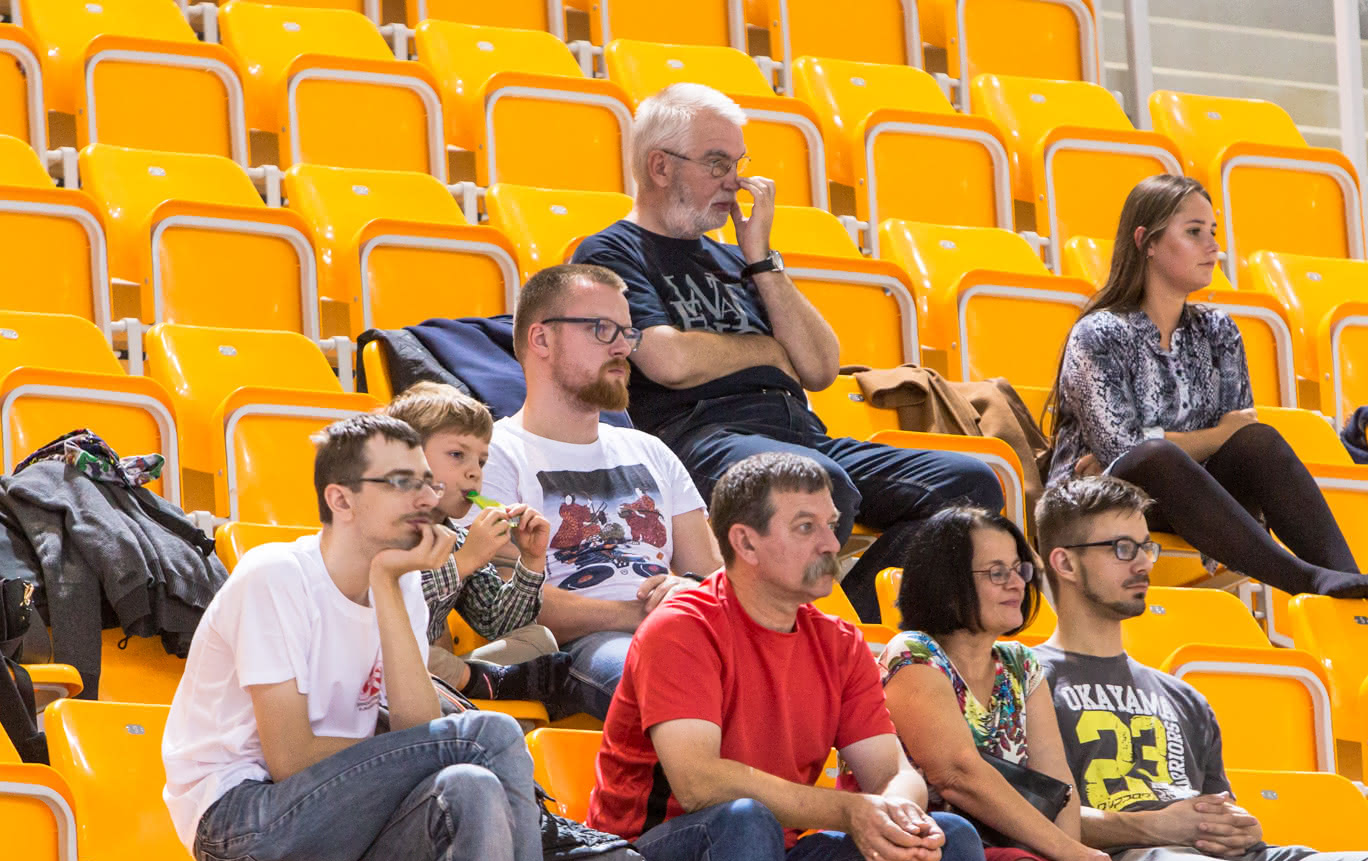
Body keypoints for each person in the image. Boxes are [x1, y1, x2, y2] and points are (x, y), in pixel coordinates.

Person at [571, 82, 1004, 622]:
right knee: (819, 484)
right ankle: (787, 634)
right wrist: (768, 350)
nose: (736, 183)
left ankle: (855, 618)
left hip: (801, 434)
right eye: (716, 163)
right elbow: (669, 361)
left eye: (737, 162)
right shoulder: (610, 251)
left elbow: (820, 366)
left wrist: (761, 260)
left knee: (970, 486)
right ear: (660, 167)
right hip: (701, 438)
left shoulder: (739, 259)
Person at [1031, 474, 1368, 861]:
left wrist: (1236, 826)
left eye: (1147, 547)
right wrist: (1157, 827)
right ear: (1064, 562)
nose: (1144, 562)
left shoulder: (1182, 695)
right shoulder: (1027, 680)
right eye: (1123, 548)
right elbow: (1032, 820)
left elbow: (1213, 806)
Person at [587, 452, 996, 861]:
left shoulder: (839, 642)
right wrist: (848, 812)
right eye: (806, 528)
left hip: (771, 858)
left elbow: (890, 770)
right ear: (745, 542)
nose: (831, 543)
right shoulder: (681, 627)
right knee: (742, 821)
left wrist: (896, 815)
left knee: (947, 839)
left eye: (832, 524)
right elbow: (698, 783)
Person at [161, 415, 551, 861]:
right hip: (242, 822)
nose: (425, 499)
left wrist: (388, 584)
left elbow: (417, 732)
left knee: (469, 787)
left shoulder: (404, 583)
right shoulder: (276, 575)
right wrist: (405, 754)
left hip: (346, 822)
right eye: (400, 483)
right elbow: (291, 758)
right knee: (491, 732)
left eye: (425, 482)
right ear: (340, 500)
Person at [1045, 173, 1368, 601]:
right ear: (1146, 241)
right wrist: (1210, 438)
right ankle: (1305, 579)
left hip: (1197, 500)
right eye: (1194, 232)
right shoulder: (1099, 333)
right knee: (1155, 457)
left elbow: (1239, 436)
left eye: (1213, 232)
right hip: (1097, 503)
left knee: (1259, 441)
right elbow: (1123, 452)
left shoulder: (1218, 331)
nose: (1212, 246)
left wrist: (1199, 442)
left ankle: (1347, 579)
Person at [881, 505, 1121, 861]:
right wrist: (1064, 855)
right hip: (933, 847)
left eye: (1019, 569)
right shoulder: (914, 653)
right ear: (946, 583)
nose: (1015, 583)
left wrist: (1072, 859)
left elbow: (1058, 784)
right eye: (996, 572)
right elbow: (957, 776)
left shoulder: (1020, 662)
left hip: (1016, 840)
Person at [479, 263, 724, 721]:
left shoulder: (650, 450)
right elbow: (504, 603)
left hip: (678, 633)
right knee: (659, 673)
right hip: (576, 649)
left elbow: (711, 574)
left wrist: (685, 588)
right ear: (541, 340)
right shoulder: (494, 455)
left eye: (627, 333)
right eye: (601, 329)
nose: (621, 347)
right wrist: (634, 615)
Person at [384, 382, 572, 703]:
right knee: (415, 654)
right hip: (377, 668)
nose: (474, 473)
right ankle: (475, 682)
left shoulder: (456, 538)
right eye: (457, 455)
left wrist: (530, 561)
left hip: (432, 677)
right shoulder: (378, 527)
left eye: (481, 462)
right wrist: (463, 562)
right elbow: (390, 614)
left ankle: (472, 683)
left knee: (537, 640)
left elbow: (498, 623)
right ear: (405, 458)